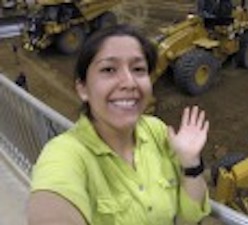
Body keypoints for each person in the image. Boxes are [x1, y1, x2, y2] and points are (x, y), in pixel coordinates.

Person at [27, 24, 211, 225]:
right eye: (109, 69)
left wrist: (190, 163)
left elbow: (189, 219)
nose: (129, 82)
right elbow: (51, 205)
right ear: (83, 89)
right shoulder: (65, 155)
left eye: (138, 69)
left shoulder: (156, 130)